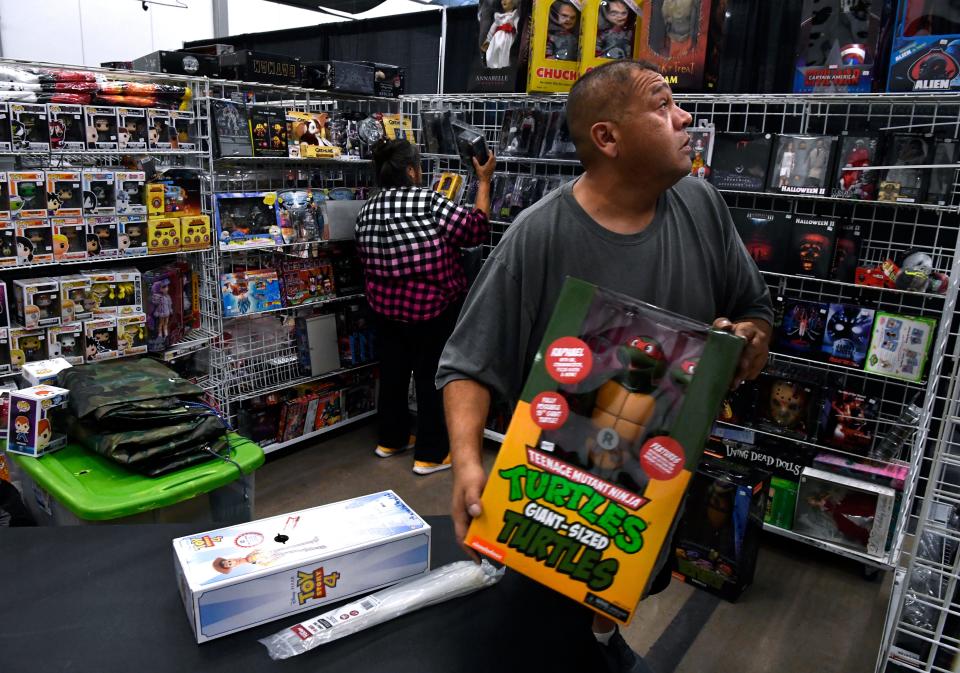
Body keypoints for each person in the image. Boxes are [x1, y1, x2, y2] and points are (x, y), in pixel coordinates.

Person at [437, 60, 773, 672]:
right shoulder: (538, 235)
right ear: (608, 138)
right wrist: (465, 463)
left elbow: (753, 309)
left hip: (655, 483)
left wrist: (748, 341)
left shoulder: (701, 205)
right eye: (663, 104)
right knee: (541, 626)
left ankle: (598, 640)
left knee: (616, 602)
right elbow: (468, 361)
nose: (685, 117)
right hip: (555, 492)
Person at [356, 139, 496, 475]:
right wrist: (485, 181)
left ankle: (391, 440)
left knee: (392, 374)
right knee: (433, 379)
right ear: (410, 170)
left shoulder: (367, 210)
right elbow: (475, 229)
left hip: (387, 310)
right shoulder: (427, 200)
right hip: (433, 309)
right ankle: (431, 455)